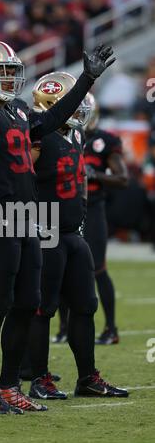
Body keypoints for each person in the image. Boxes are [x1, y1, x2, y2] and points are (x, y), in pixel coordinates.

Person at [0, 29, 115, 414]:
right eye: (1, 71)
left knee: (27, 304)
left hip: (27, 217)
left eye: (11, 71)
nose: (9, 78)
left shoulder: (16, 109)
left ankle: (9, 385)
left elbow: (51, 119)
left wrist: (87, 79)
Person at [26, 72, 128, 400]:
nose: (80, 107)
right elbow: (18, 180)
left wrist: (80, 212)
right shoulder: (37, 137)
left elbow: (80, 177)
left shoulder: (75, 134)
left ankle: (87, 378)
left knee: (85, 306)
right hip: (47, 231)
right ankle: (39, 379)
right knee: (43, 308)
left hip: (72, 232)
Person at [84, 93, 128, 344]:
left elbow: (122, 178)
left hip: (93, 210)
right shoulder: (62, 137)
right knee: (62, 270)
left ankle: (111, 328)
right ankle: (64, 328)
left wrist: (96, 175)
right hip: (66, 210)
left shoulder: (104, 141)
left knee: (98, 269)